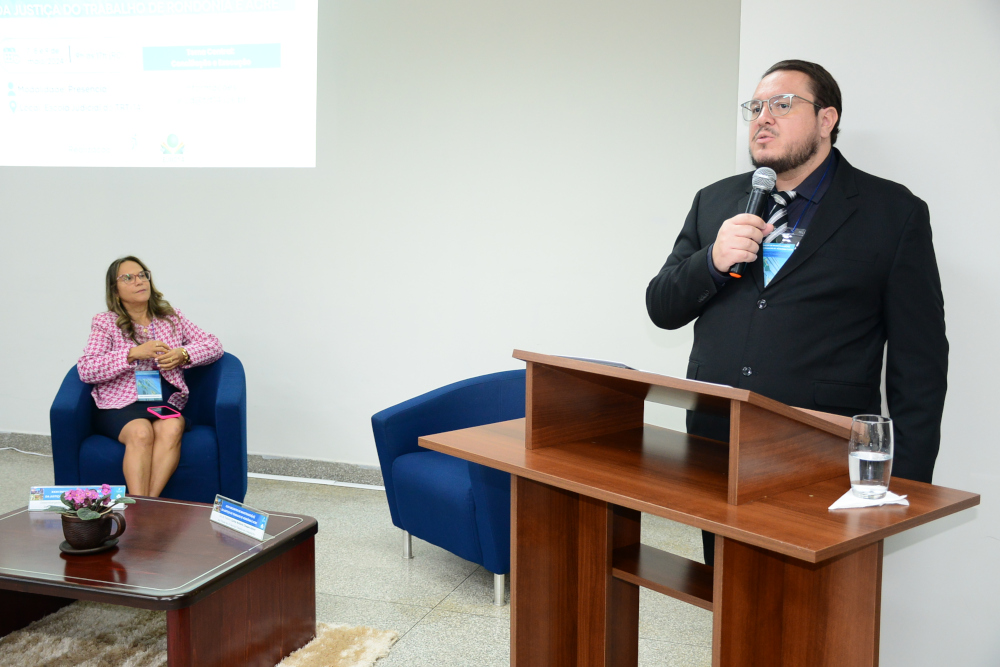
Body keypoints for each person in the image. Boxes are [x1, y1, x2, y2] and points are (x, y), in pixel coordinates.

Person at [645, 60, 948, 565]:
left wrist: (906, 480)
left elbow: (920, 359)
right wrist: (712, 261)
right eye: (755, 107)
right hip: (718, 444)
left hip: (821, 452)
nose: (763, 117)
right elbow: (662, 307)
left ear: (827, 119)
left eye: (782, 105)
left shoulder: (893, 212)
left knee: (813, 606)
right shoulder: (715, 200)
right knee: (728, 593)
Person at [77, 256, 223, 497]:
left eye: (142, 275)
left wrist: (183, 354)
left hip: (160, 400)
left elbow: (213, 345)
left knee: (172, 427)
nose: (139, 281)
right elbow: (87, 368)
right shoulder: (105, 322)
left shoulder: (171, 317)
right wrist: (132, 354)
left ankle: (146, 506)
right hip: (118, 403)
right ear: (115, 291)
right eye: (128, 278)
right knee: (141, 432)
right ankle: (144, 507)